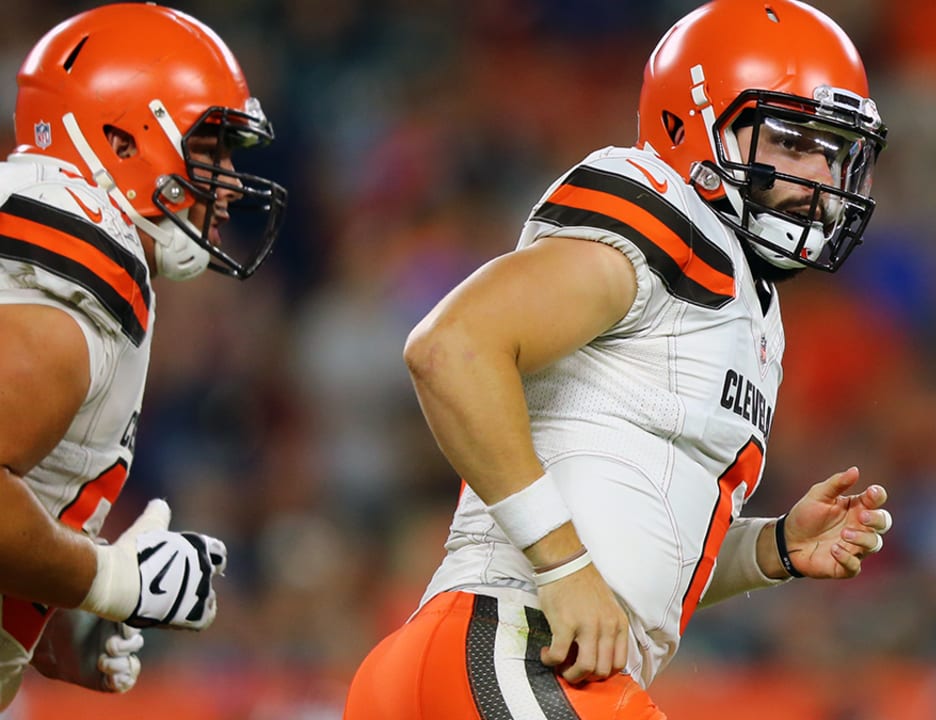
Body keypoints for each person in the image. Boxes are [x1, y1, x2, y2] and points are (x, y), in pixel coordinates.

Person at [344, 0, 891, 717]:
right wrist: (564, 566)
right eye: (792, 141)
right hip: (509, 651)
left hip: (492, 662)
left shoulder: (746, 303)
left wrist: (771, 549)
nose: (819, 176)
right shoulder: (669, 218)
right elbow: (452, 347)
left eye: (832, 150)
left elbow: (640, 546)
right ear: (692, 126)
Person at [0, 3, 287, 709]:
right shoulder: (66, 297)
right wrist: (111, 578)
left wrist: (55, 620)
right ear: (121, 140)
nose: (225, 183)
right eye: (209, 147)